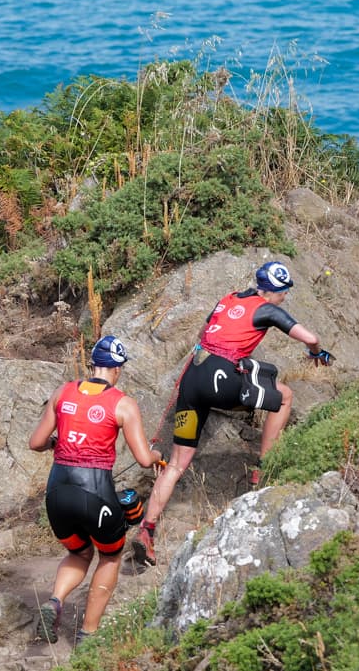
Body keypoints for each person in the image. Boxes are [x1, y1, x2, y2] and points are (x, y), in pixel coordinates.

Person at [134, 260, 329, 563]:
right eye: (284, 292)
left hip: (192, 381)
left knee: (176, 463)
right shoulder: (267, 309)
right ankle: (264, 467)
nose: (285, 297)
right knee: (285, 396)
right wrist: (316, 353)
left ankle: (146, 530)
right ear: (274, 291)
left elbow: (205, 332)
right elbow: (312, 338)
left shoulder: (229, 298)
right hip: (221, 382)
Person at [26, 333, 162, 642]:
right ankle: (88, 635)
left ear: (92, 365)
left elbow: (35, 443)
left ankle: (55, 601)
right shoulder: (123, 404)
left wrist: (53, 444)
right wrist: (157, 455)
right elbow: (143, 458)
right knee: (110, 556)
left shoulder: (63, 392)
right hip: (95, 490)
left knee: (79, 552)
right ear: (118, 369)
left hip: (57, 491)